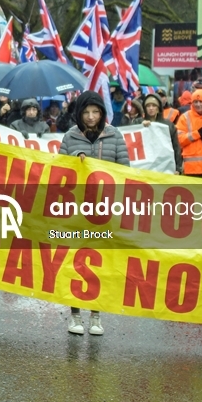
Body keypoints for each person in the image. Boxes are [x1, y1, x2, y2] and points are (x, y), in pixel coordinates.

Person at [58, 90, 130, 335]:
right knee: (76, 261)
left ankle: (96, 316)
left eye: (95, 112)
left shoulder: (114, 135)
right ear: (79, 113)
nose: (90, 117)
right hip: (76, 210)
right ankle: (75, 315)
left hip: (104, 211)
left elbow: (124, 171)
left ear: (102, 113)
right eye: (86, 112)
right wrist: (72, 160)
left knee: (100, 262)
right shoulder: (70, 137)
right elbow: (59, 172)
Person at [141, 93, 183, 174]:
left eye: (154, 105)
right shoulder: (138, 123)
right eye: (148, 106)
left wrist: (178, 168)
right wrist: (140, 126)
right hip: (145, 167)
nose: (151, 108)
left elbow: (176, 147)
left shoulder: (168, 126)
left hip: (163, 166)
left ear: (158, 108)